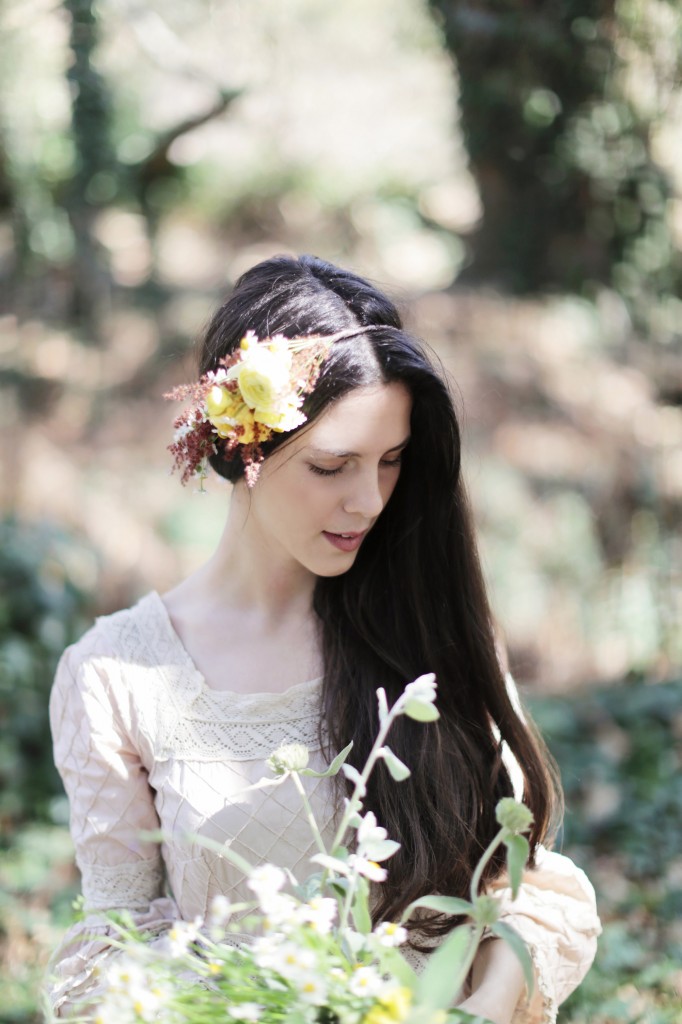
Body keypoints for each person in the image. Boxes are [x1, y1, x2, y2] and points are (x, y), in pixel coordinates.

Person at [47, 254, 601, 1024]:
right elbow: (113, 952)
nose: (369, 500)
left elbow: (523, 889)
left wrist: (481, 1008)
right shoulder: (116, 675)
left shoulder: (427, 628)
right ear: (244, 447)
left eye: (392, 461)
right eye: (333, 465)